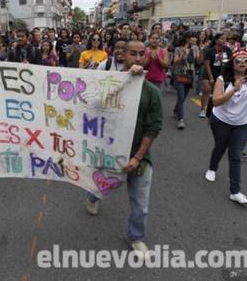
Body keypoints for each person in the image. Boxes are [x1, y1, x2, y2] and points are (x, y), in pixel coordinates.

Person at [85, 40, 163, 258]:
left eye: (141, 54)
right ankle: (92, 197)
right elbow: (94, 105)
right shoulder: (110, 84)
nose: (137, 58)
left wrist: (138, 158)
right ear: (123, 56)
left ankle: (136, 237)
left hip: (139, 158)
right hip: (110, 153)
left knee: (141, 205)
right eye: (133, 54)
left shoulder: (152, 92)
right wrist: (125, 81)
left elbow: (153, 127)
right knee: (101, 187)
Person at [204, 50, 247, 204]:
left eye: (245, 60)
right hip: (222, 120)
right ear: (232, 63)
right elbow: (216, 101)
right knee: (220, 147)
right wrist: (234, 89)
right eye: (238, 61)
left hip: (243, 123)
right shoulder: (222, 79)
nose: (242, 63)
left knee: (235, 154)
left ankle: (235, 191)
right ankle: (212, 168)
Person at [173, 32, 200, 129]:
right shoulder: (179, 49)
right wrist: (183, 53)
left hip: (190, 75)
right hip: (179, 74)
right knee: (181, 97)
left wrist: (199, 52)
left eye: (195, 38)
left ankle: (176, 110)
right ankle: (181, 119)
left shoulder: (196, 48)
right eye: (192, 37)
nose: (194, 39)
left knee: (183, 97)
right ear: (187, 39)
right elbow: (175, 62)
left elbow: (198, 62)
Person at [200, 33, 232, 118]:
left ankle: (215, 110)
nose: (224, 40)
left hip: (221, 73)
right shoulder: (210, 50)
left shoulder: (228, 50)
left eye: (225, 39)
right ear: (216, 40)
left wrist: (224, 60)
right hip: (209, 72)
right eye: (222, 39)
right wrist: (211, 77)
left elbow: (230, 62)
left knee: (217, 93)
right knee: (206, 90)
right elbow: (207, 64)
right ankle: (203, 109)